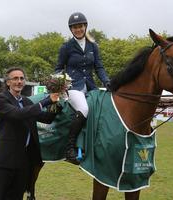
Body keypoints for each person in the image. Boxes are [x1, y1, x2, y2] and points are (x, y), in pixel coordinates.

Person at [0, 67, 61, 200]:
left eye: (22, 78)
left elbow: (46, 118)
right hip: (4, 160)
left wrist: (58, 103)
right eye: (15, 78)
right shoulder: (0, 99)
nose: (19, 81)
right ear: (8, 82)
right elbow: (18, 114)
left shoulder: (27, 101)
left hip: (24, 161)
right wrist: (46, 101)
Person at [55, 12, 110, 162]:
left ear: (85, 27)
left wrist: (106, 81)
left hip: (91, 86)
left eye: (80, 26)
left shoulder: (93, 46)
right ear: (71, 29)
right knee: (84, 109)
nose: (78, 29)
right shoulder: (66, 47)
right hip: (73, 86)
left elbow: (99, 67)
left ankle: (95, 144)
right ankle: (70, 148)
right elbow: (58, 69)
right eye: (75, 27)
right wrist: (61, 81)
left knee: (103, 109)